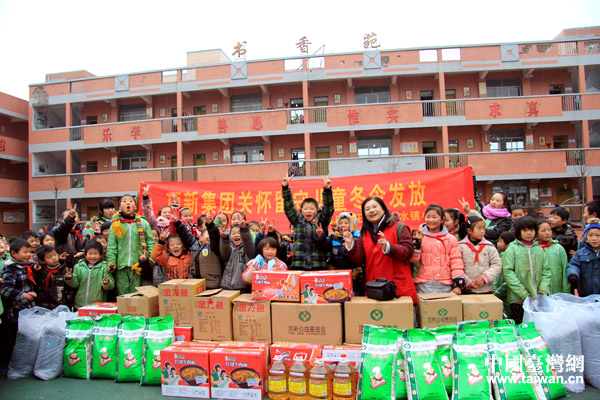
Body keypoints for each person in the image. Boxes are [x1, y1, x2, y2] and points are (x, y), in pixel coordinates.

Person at [346, 197, 417, 303]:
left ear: (383, 209)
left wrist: (388, 247)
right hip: (374, 288)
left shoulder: (399, 226)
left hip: (397, 288)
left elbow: (408, 251)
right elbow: (359, 260)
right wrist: (351, 246)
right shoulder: (364, 232)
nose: (371, 210)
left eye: (374, 207)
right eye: (367, 209)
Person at [502, 216, 551, 324]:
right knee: (521, 326)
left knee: (536, 326)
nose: (529, 233)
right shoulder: (512, 249)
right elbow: (508, 272)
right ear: (518, 232)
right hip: (518, 299)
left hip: (537, 297)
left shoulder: (539, 249)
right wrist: (523, 293)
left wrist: (542, 290)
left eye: (531, 230)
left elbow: (546, 271)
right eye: (525, 230)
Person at [282, 174, 334, 270]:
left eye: (311, 209)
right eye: (305, 209)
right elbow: (289, 207)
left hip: (318, 265)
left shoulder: (321, 220)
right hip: (298, 265)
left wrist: (327, 190)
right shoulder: (297, 220)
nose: (308, 211)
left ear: (317, 210)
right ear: (301, 210)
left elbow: (328, 209)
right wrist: (285, 188)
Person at [411, 204, 466, 295]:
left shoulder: (451, 239)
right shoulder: (420, 237)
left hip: (445, 284)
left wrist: (458, 285)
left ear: (442, 219)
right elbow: (414, 259)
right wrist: (416, 242)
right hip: (424, 284)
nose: (430, 220)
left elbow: (456, 262)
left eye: (434, 217)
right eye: (428, 217)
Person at [106, 194, 155, 295]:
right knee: (123, 295)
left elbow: (150, 242)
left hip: (138, 265)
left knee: (137, 295)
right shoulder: (115, 225)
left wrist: (151, 259)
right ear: (119, 207)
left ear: (135, 207)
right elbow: (111, 247)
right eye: (124, 201)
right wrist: (111, 262)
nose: (128, 203)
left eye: (131, 201)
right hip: (121, 266)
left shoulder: (144, 223)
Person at [0, 238, 36, 361]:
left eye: (29, 252)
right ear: (13, 254)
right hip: (15, 313)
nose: (28, 255)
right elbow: (5, 290)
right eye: (25, 252)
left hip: (28, 310)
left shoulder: (27, 265)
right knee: (15, 341)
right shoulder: (10, 268)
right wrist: (22, 295)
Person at [315, 212, 365, 295]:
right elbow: (324, 245)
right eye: (340, 223)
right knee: (338, 294)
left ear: (352, 225)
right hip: (337, 272)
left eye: (346, 223)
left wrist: (349, 245)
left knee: (352, 295)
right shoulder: (333, 237)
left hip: (353, 275)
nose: (343, 225)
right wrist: (321, 236)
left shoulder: (357, 237)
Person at [175, 212, 223, 289]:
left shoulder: (214, 246)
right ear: (200, 237)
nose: (209, 237)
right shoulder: (194, 245)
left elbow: (215, 236)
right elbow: (186, 234)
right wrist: (177, 223)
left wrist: (210, 225)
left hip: (211, 284)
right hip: (195, 283)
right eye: (207, 234)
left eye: (210, 234)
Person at [458, 214, 502, 294]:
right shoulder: (461, 247)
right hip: (466, 290)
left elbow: (497, 264)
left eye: (483, 228)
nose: (482, 231)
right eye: (479, 228)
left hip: (485, 289)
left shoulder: (489, 246)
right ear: (469, 231)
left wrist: (485, 278)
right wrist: (466, 281)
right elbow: (457, 266)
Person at [65, 241, 115, 309]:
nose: (92, 256)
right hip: (80, 305)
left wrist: (107, 283)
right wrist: (70, 278)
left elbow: (111, 285)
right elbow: (75, 284)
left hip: (98, 305)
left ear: (101, 255)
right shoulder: (79, 267)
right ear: (85, 255)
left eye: (95, 254)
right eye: (90, 254)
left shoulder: (104, 267)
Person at [33, 245, 74, 310]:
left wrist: (68, 300)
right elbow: (37, 286)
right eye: (49, 257)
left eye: (55, 255)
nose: (54, 258)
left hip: (62, 305)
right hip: (44, 306)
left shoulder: (65, 270)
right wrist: (37, 272)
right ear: (43, 261)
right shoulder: (41, 271)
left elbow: (71, 289)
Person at [566, 218, 600, 297]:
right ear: (586, 237)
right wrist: (573, 274)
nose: (594, 238)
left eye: (598, 235)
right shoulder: (581, 253)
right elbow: (573, 265)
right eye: (590, 235)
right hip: (585, 294)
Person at [536, 219, 570, 295]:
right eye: (543, 231)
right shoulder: (533, 249)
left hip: (556, 290)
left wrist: (565, 293)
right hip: (538, 292)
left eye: (549, 230)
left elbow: (565, 270)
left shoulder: (558, 248)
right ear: (536, 233)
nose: (547, 233)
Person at [219, 221, 255, 291]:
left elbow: (248, 242)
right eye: (233, 233)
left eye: (239, 233)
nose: (236, 235)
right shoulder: (229, 248)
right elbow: (224, 254)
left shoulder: (247, 249)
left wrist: (244, 230)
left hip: (243, 288)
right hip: (226, 287)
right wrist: (224, 238)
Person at [493, 231, 515, 317]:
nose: (498, 243)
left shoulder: (508, 257)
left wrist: (497, 293)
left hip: (506, 295)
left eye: (500, 241)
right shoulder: (501, 255)